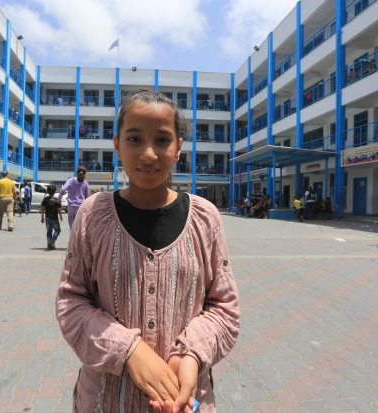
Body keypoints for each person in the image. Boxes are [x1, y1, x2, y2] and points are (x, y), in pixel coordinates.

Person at [55, 89, 240, 413]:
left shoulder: (205, 218)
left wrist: (191, 354)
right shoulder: (92, 214)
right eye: (135, 139)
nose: (149, 154)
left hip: (186, 401)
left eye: (163, 140)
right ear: (117, 144)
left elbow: (224, 306)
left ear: (179, 146)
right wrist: (128, 350)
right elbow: (71, 301)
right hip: (103, 402)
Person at [58, 166, 89, 230]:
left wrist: (59, 198)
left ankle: (72, 236)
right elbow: (86, 197)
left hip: (71, 206)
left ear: (77, 172)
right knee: (79, 224)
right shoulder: (85, 183)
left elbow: (63, 189)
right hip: (80, 206)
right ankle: (78, 238)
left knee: (71, 222)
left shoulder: (71, 180)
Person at [41, 184, 62, 250]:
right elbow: (58, 209)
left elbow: (43, 208)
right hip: (54, 219)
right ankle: (52, 241)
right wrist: (61, 216)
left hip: (47, 218)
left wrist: (42, 217)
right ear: (55, 191)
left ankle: (49, 245)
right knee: (58, 230)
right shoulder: (57, 200)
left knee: (49, 232)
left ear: (47, 191)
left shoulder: (45, 199)